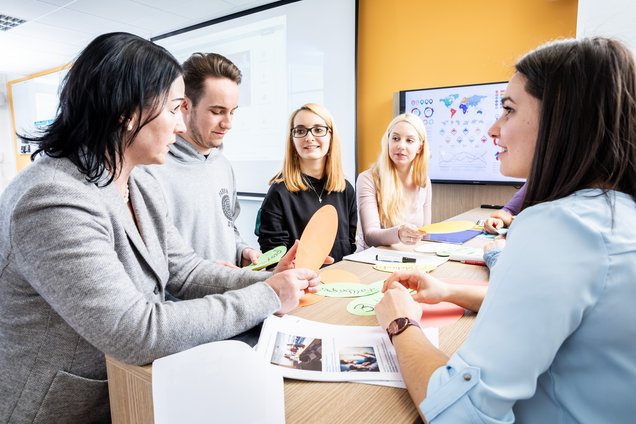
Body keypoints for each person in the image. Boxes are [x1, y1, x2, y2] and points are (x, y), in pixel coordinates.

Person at [0, 32, 320, 423]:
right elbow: (134, 330)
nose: (181, 126)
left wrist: (269, 280)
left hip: (130, 390)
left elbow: (183, 270)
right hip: (57, 407)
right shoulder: (51, 200)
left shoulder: (139, 180)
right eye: (174, 109)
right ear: (127, 112)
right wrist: (267, 297)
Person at [375, 37, 636, 423]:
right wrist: (448, 290)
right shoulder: (618, 213)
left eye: (508, 111)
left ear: (561, 121)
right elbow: (562, 307)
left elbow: (460, 415)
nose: (493, 129)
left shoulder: (559, 225)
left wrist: (401, 323)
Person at [143, 52, 260, 268]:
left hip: (230, 295)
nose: (228, 123)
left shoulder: (223, 165)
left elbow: (229, 226)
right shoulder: (151, 169)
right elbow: (151, 257)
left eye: (232, 112)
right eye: (217, 112)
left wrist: (242, 250)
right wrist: (209, 276)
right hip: (183, 301)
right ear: (185, 105)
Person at [257, 103, 357, 262]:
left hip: (340, 281)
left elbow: (350, 244)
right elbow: (274, 255)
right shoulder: (279, 192)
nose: (309, 137)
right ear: (292, 139)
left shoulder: (346, 189)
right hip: (300, 283)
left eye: (318, 129)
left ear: (331, 136)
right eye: (300, 131)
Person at [356, 113, 432, 250]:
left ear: (420, 147)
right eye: (396, 138)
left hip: (410, 258)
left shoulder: (424, 182)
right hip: (371, 262)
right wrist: (398, 233)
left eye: (409, 140)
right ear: (388, 141)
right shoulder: (367, 179)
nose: (401, 146)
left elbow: (425, 235)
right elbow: (370, 236)